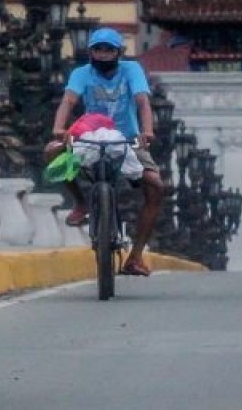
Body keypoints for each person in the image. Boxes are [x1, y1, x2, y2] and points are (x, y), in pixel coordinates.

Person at [50, 27, 164, 277]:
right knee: (52, 151)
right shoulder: (81, 73)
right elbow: (68, 101)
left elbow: (143, 102)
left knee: (155, 185)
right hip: (90, 137)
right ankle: (80, 202)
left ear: (119, 52)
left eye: (108, 50)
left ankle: (135, 256)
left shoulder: (131, 70)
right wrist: (59, 128)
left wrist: (147, 131)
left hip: (128, 141)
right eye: (97, 49)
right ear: (90, 52)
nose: (102, 54)